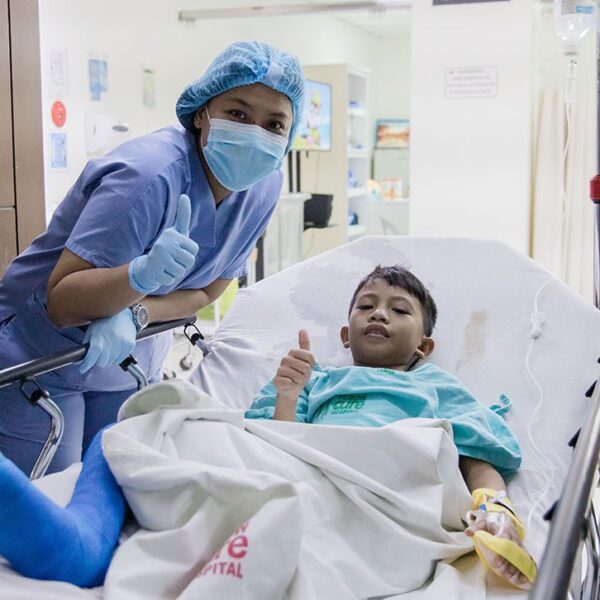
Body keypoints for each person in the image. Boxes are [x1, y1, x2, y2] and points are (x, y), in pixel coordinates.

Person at [0, 265, 535, 589]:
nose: (379, 314)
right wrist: (288, 395)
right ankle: (80, 541)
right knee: (142, 426)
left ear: (424, 345)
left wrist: (496, 510)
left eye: (399, 310)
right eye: (366, 306)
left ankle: (81, 552)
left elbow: (475, 453)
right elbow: (271, 444)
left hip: (376, 489)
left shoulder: (435, 387)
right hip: (297, 465)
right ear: (345, 335)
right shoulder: (316, 380)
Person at [0, 41, 304, 475]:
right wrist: (138, 276)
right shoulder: (147, 177)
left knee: (116, 492)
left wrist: (137, 312)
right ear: (202, 112)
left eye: (274, 124)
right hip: (41, 355)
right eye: (238, 113)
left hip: (130, 354)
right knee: (49, 506)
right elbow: (63, 303)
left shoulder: (264, 187)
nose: (256, 133)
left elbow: (207, 291)